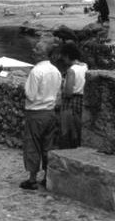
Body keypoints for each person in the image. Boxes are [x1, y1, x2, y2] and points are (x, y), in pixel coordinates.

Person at [21, 42, 62, 190]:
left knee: (32, 145)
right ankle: (47, 176)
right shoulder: (56, 71)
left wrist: (24, 89)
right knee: (47, 146)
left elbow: (31, 95)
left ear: (44, 54)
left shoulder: (36, 71)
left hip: (35, 113)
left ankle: (32, 178)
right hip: (50, 113)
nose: (34, 50)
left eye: (37, 48)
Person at [58, 42, 87, 149]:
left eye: (64, 57)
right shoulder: (85, 66)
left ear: (67, 56)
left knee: (68, 131)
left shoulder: (71, 71)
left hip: (70, 104)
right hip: (81, 101)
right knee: (78, 130)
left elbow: (68, 92)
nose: (63, 60)